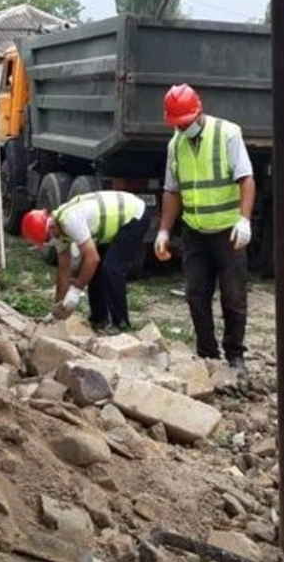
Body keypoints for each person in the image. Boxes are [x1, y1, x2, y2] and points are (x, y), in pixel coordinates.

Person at [154, 84, 256, 368]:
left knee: (234, 297)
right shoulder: (175, 144)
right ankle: (207, 354)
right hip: (195, 233)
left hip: (227, 232)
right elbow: (172, 191)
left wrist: (244, 220)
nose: (182, 128)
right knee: (196, 295)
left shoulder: (228, 134)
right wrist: (164, 230)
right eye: (177, 125)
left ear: (199, 112)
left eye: (185, 123)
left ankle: (235, 353)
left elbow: (246, 178)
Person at [20, 190, 151, 332]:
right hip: (111, 226)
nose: (49, 243)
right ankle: (98, 319)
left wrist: (76, 291)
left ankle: (121, 323)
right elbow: (64, 270)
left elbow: (92, 258)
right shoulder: (58, 230)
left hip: (134, 215)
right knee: (94, 272)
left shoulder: (70, 221)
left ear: (50, 228)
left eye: (46, 239)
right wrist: (57, 308)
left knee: (111, 268)